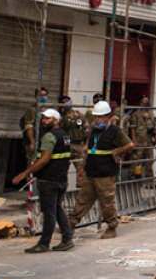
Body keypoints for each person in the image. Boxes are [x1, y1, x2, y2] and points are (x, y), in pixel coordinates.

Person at [68, 100, 133, 239]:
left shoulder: (115, 131)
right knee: (82, 199)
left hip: (105, 173)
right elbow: (89, 150)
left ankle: (111, 227)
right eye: (95, 117)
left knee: (107, 201)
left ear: (107, 116)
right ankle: (70, 224)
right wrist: (82, 168)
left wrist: (116, 152)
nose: (97, 119)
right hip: (91, 171)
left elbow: (129, 144)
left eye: (99, 117)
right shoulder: (94, 131)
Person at [12, 108, 74, 253]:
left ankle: (44, 243)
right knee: (57, 209)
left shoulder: (50, 136)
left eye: (47, 119)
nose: (44, 121)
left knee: (49, 212)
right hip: (61, 178)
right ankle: (67, 239)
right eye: (43, 119)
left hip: (49, 179)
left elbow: (45, 159)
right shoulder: (64, 135)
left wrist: (25, 172)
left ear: (56, 120)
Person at [122, 95, 156, 178]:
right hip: (139, 140)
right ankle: (132, 177)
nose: (147, 102)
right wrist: (134, 140)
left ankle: (149, 179)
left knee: (149, 160)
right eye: (145, 101)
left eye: (147, 100)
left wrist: (155, 139)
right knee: (136, 160)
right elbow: (132, 128)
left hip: (149, 140)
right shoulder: (136, 114)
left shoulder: (151, 114)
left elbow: (154, 127)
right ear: (141, 103)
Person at [21, 87, 51, 166]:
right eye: (40, 95)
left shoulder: (48, 110)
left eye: (45, 95)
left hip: (44, 141)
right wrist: (32, 142)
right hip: (35, 139)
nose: (43, 97)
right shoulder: (32, 109)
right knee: (33, 163)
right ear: (35, 97)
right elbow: (29, 126)